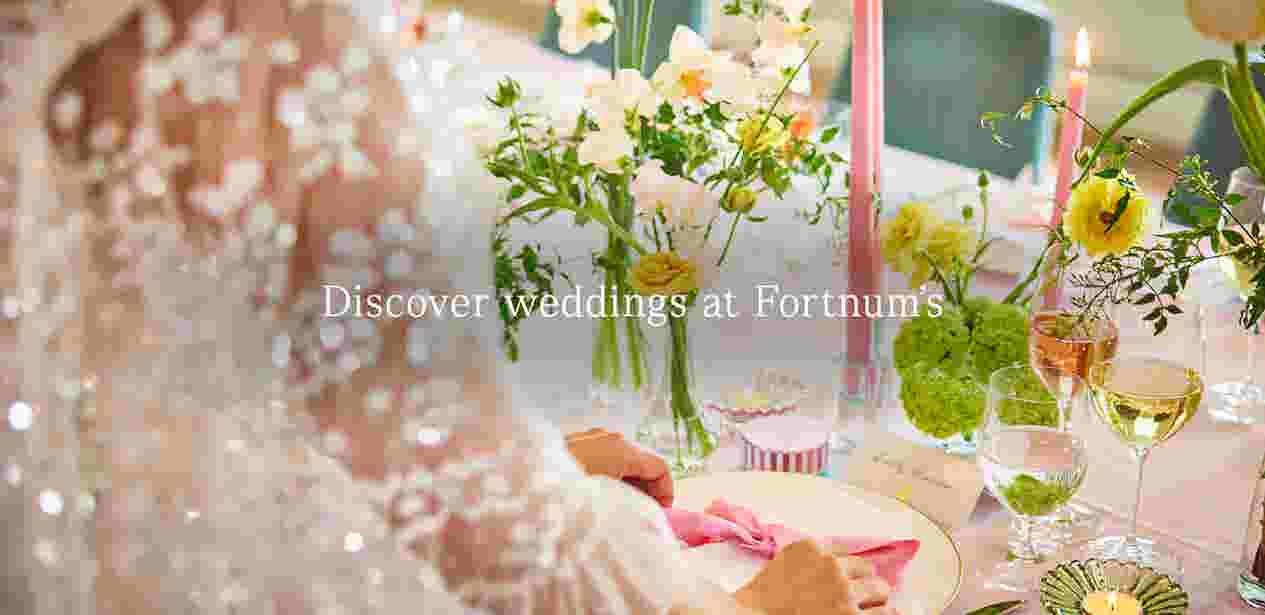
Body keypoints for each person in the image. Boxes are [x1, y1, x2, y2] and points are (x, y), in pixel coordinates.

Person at [2, 1, 898, 613]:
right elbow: (522, 555)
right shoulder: (276, 48)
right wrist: (744, 609)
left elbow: (164, 407)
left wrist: (501, 461)